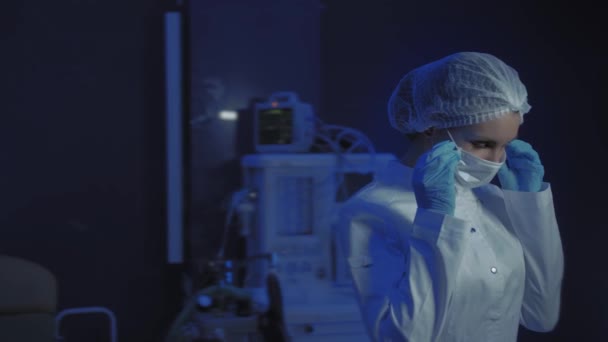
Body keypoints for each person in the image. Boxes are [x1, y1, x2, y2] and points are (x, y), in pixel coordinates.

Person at [335, 51, 564, 341]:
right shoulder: (370, 211)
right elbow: (400, 337)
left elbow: (540, 315)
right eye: (482, 143)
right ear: (431, 126)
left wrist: (531, 209)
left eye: (506, 145)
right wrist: (436, 221)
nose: (496, 160)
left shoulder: (492, 201)